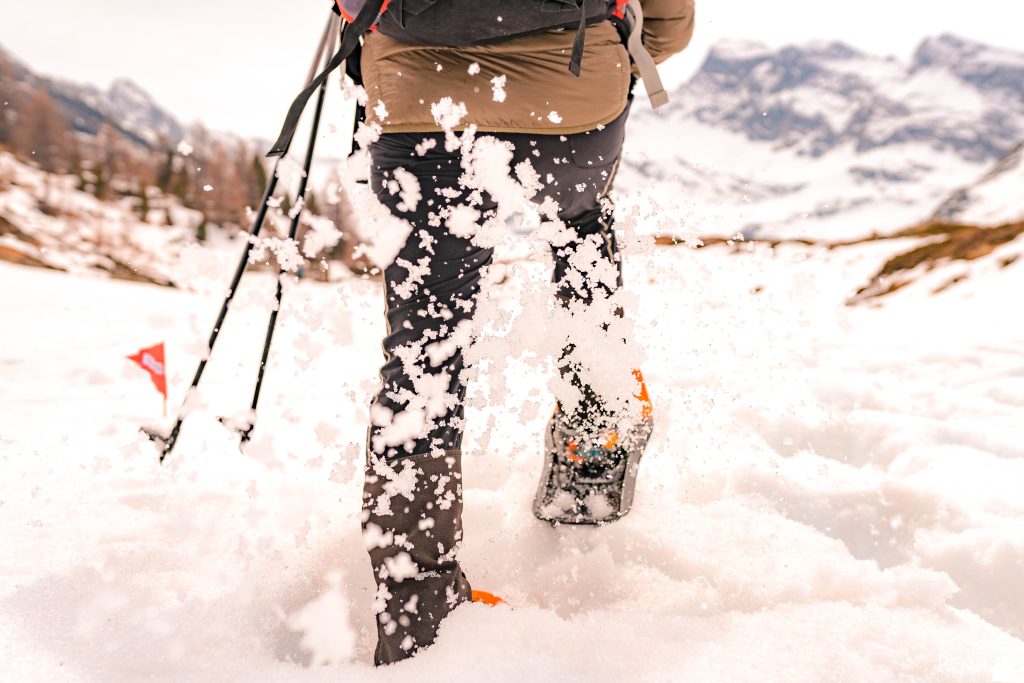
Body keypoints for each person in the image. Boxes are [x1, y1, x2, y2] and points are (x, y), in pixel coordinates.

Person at [347, 0, 696, 664]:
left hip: (420, 104)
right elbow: (669, 23)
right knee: (580, 230)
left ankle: (416, 612)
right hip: (575, 101)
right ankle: (588, 463)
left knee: (423, 353)